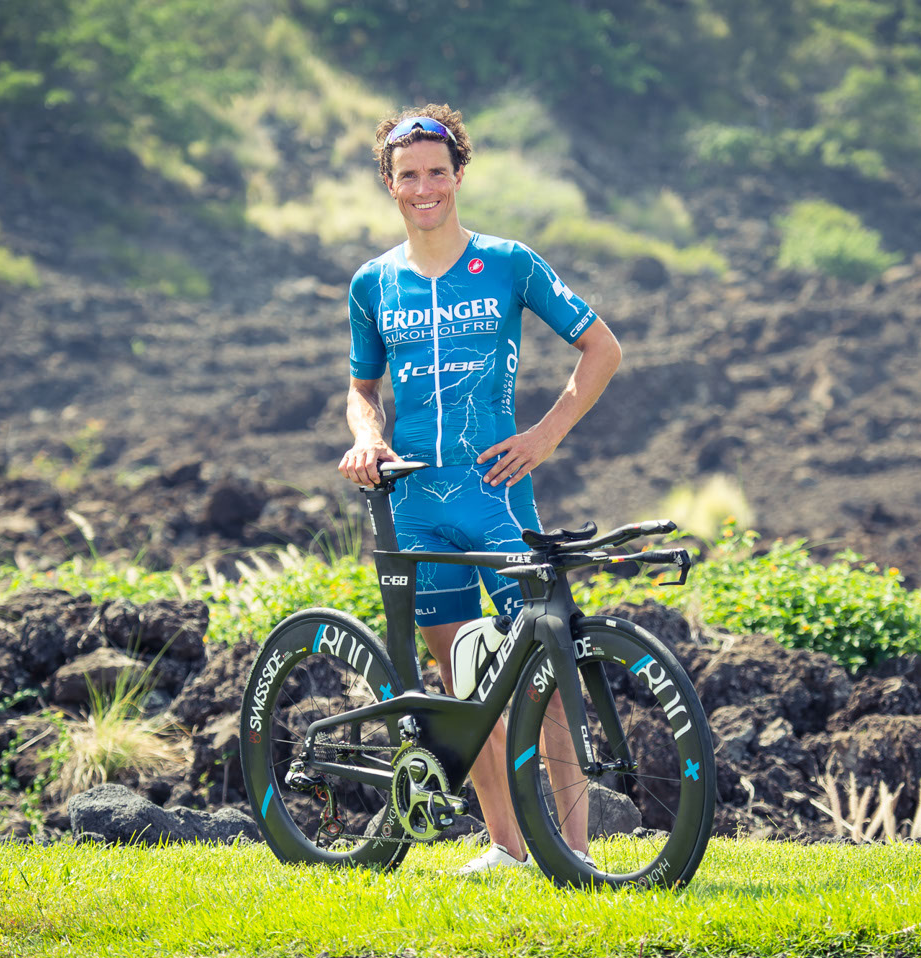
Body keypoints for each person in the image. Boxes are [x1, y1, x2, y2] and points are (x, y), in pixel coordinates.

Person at [338, 104, 622, 874]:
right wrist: (368, 437)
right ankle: (506, 847)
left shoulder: (508, 263)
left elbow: (602, 349)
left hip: (497, 498)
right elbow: (362, 386)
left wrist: (545, 436)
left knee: (548, 682)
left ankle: (576, 851)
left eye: (437, 173)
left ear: (458, 176)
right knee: (462, 684)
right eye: (408, 177)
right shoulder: (374, 283)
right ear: (390, 186)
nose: (424, 188)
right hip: (415, 506)